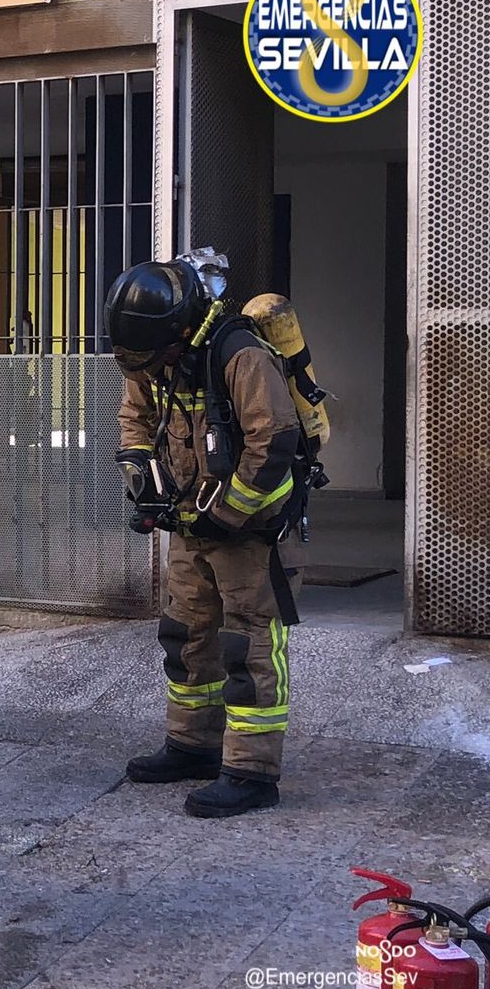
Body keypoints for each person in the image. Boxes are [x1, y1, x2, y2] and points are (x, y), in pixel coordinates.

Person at [106, 260, 302, 818]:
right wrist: (144, 480)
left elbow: (275, 441)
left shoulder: (239, 355)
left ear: (179, 331)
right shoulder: (153, 354)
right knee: (186, 635)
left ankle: (252, 772)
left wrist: (230, 512)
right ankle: (192, 745)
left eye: (151, 358)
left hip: (252, 534)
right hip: (191, 524)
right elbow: (135, 418)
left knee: (250, 647)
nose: (146, 370)